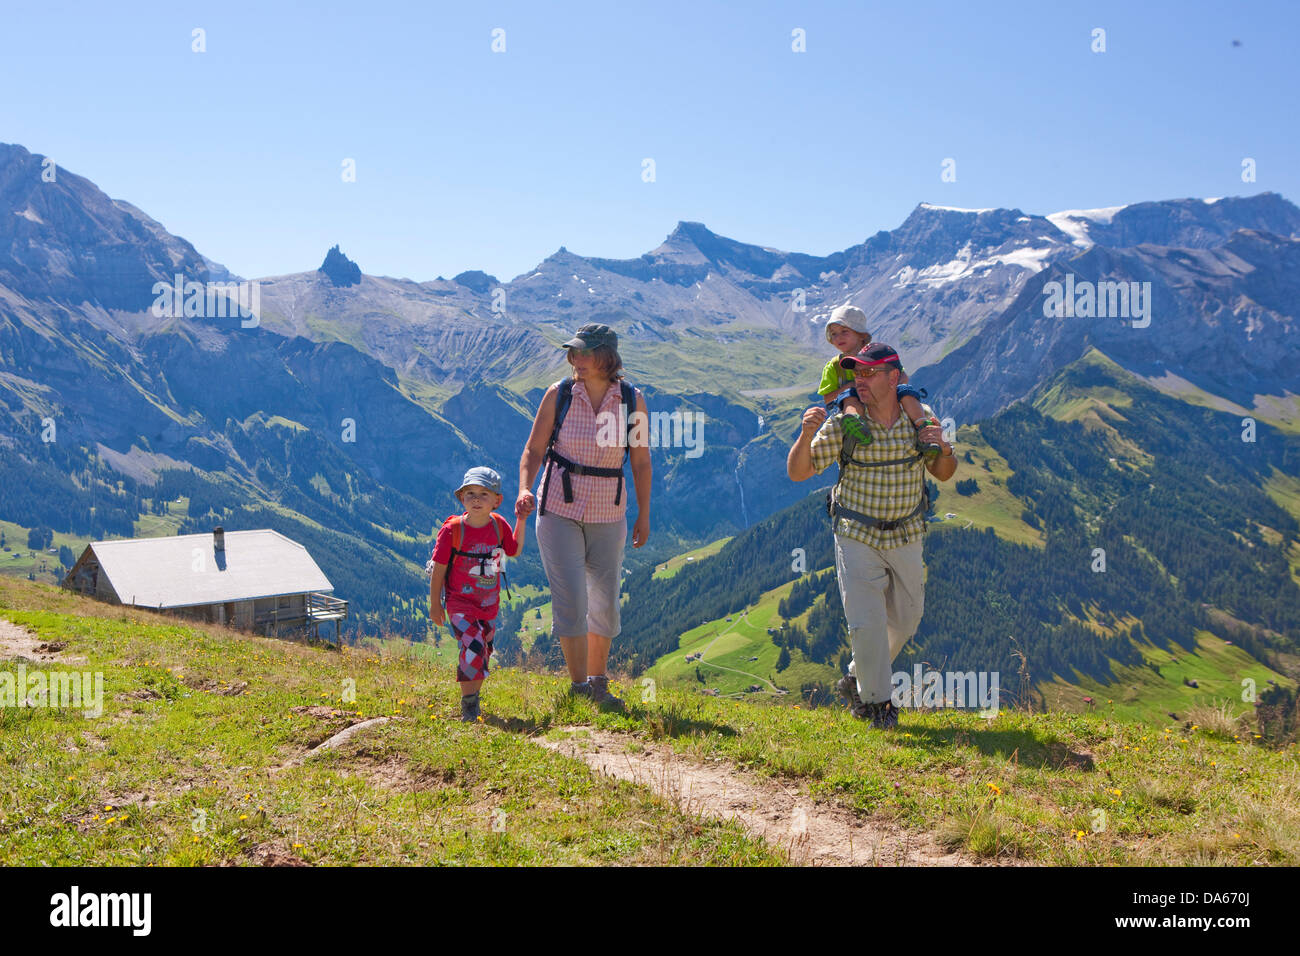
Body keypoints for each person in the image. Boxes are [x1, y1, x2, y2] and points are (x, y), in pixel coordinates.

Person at [786, 342, 957, 728]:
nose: (859, 381)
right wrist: (805, 433)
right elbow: (799, 472)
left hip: (907, 533)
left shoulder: (920, 419)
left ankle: (855, 676)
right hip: (855, 534)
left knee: (907, 619)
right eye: (856, 373)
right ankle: (876, 706)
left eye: (868, 373)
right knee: (866, 622)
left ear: (893, 377)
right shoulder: (844, 423)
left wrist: (942, 447)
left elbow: (944, 472)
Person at [516, 323, 652, 710]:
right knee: (572, 599)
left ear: (607, 356)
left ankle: (598, 682)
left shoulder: (631, 400)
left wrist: (643, 512)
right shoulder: (558, 395)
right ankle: (578, 688)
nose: (576, 359)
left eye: (584, 352)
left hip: (609, 512)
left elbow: (641, 462)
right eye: (572, 352)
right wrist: (525, 487)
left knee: (605, 600)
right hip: (558, 507)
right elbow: (533, 451)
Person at [427, 466, 525, 722]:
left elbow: (513, 550)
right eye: (470, 493)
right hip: (460, 603)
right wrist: (435, 605)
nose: (476, 499)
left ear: (497, 500)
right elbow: (439, 569)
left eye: (484, 493)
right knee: (474, 646)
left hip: (489, 605)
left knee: (484, 650)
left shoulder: (499, 525)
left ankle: (473, 702)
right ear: (461, 498)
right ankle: (469, 707)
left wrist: (522, 520)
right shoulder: (452, 531)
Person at [818, 304, 942, 459]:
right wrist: (850, 387)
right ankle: (856, 424)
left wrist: (891, 389)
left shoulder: (879, 355)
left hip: (884, 400)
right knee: (849, 395)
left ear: (861, 335)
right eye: (834, 334)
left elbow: (902, 376)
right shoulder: (834, 367)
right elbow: (828, 398)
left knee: (905, 391)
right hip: (857, 403)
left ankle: (923, 426)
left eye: (844, 331)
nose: (838, 337)